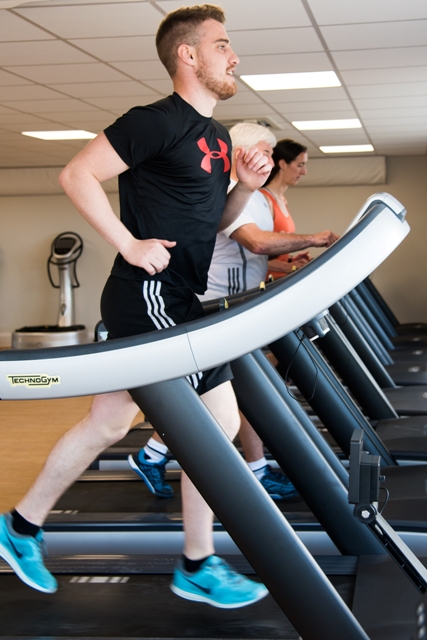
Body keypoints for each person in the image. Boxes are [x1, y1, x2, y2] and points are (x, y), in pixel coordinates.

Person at [0, 4, 273, 610]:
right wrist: (127, 243)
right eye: (222, 45)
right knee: (216, 423)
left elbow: (211, 223)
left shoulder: (216, 138)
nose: (234, 57)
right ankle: (197, 563)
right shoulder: (155, 120)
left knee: (108, 423)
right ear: (188, 55)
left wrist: (245, 191)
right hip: (149, 295)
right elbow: (77, 175)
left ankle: (19, 526)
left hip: (179, 296)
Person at [129, 123, 338, 502]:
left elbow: (251, 255)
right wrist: (315, 238)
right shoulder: (230, 191)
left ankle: (155, 454)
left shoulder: (254, 195)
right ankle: (247, 469)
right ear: (241, 153)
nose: (271, 159)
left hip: (240, 305)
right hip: (218, 307)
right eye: (265, 151)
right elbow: (255, 243)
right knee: (234, 391)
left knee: (231, 391)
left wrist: (286, 262)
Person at [261, 139, 312, 279]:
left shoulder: (282, 200)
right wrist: (286, 267)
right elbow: (251, 252)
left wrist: (290, 260)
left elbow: (274, 252)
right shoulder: (264, 199)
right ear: (282, 164)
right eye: (300, 165)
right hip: (265, 283)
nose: (304, 172)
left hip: (280, 280)